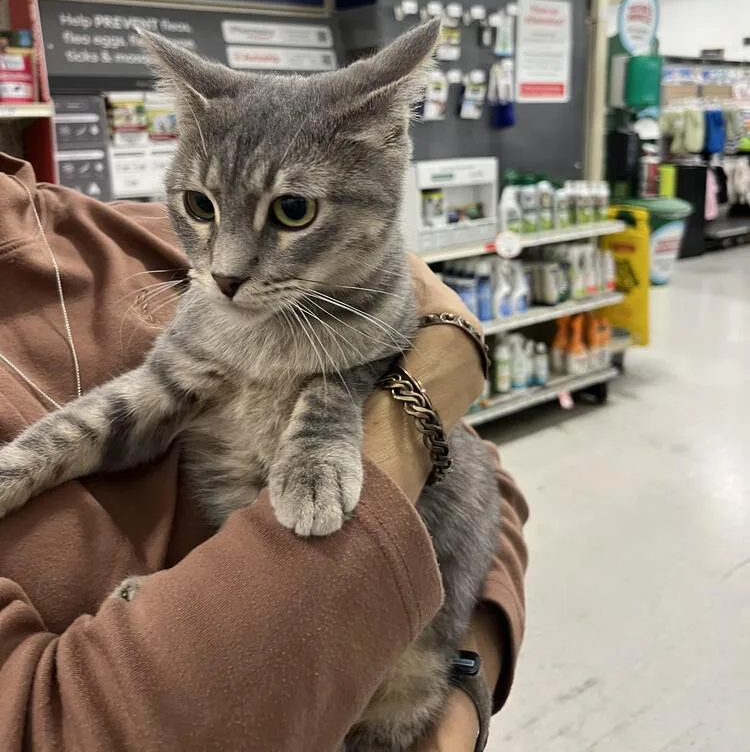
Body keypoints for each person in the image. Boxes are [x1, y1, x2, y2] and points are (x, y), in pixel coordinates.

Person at [0, 152, 528, 752]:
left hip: (404, 672)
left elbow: (493, 487)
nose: (225, 267)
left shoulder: (136, 232)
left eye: (292, 209)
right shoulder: (202, 248)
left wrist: (461, 687)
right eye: (200, 207)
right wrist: (433, 380)